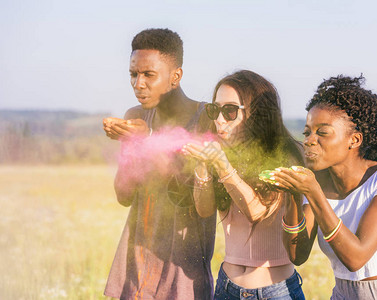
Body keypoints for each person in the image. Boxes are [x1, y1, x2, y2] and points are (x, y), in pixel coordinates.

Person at [271, 75, 377, 299]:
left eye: (322, 132)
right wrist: (293, 195)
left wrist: (313, 192)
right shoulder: (316, 181)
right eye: (307, 132)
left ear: (354, 140)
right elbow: (297, 255)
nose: (308, 140)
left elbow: (356, 258)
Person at [102, 28, 216, 300]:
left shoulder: (206, 119)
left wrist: (149, 140)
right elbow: (123, 196)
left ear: (175, 76)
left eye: (148, 74)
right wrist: (130, 145)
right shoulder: (136, 115)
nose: (138, 84)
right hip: (137, 270)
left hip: (184, 274)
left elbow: (192, 198)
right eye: (133, 74)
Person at [183, 70, 306, 300]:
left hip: (275, 292)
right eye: (214, 109)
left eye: (229, 111)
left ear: (256, 113)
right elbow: (205, 210)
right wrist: (201, 166)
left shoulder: (286, 153)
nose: (218, 119)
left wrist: (222, 165)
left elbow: (258, 212)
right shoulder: (223, 152)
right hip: (226, 288)